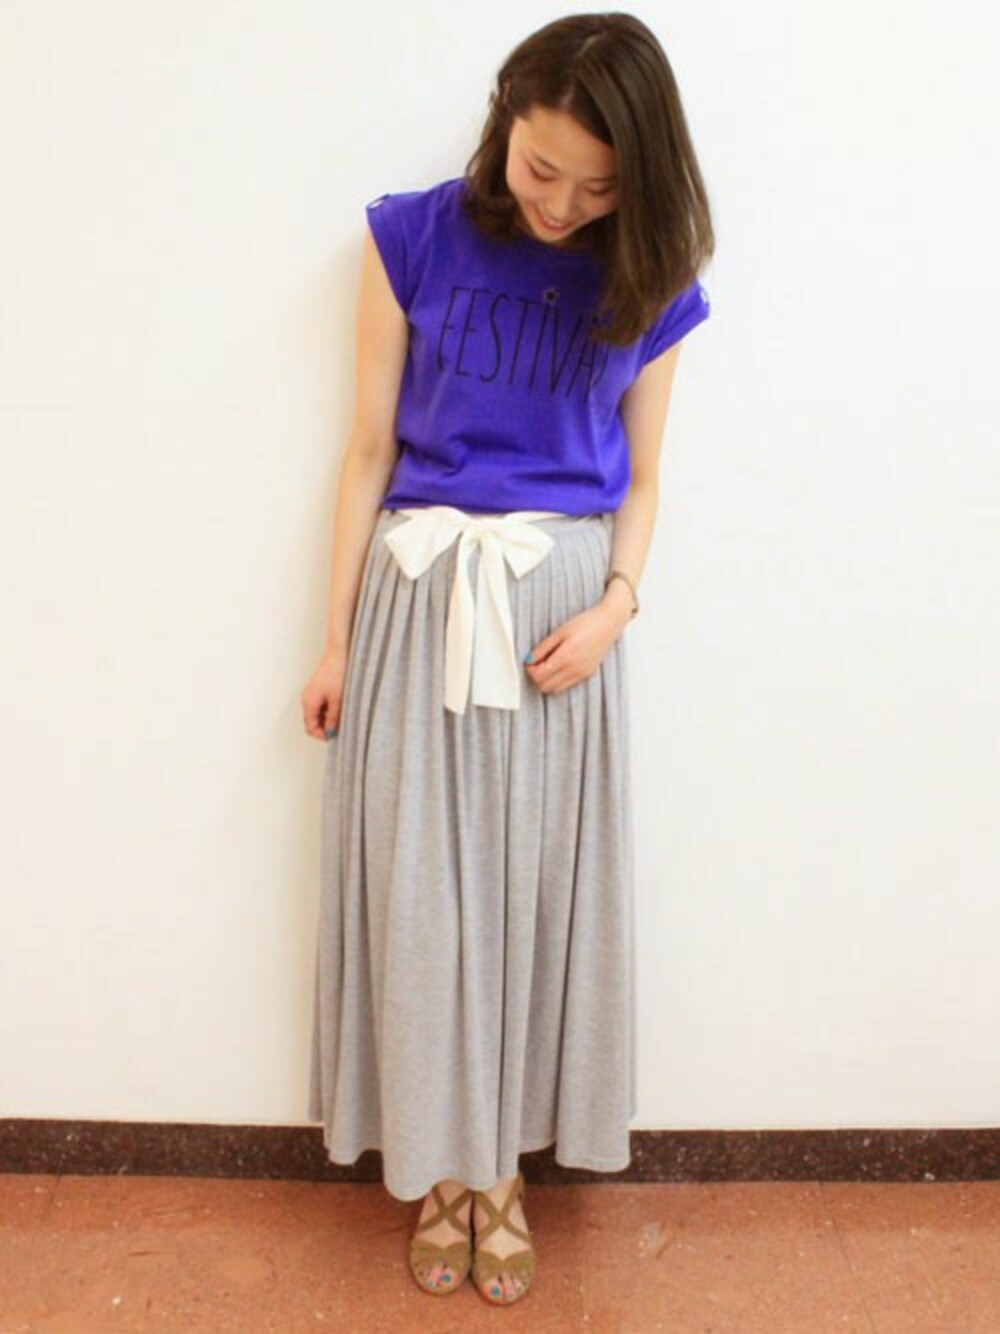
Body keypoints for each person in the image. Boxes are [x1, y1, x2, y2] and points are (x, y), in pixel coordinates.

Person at [301, 11, 714, 1306]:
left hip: (559, 619)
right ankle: (442, 1171)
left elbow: (645, 478)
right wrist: (333, 637)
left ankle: (505, 1174)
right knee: (422, 902)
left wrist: (618, 607)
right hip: (418, 604)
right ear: (504, 123)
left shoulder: (651, 274)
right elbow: (368, 451)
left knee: (533, 906)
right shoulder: (410, 237)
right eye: (544, 170)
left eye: (599, 187)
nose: (563, 206)